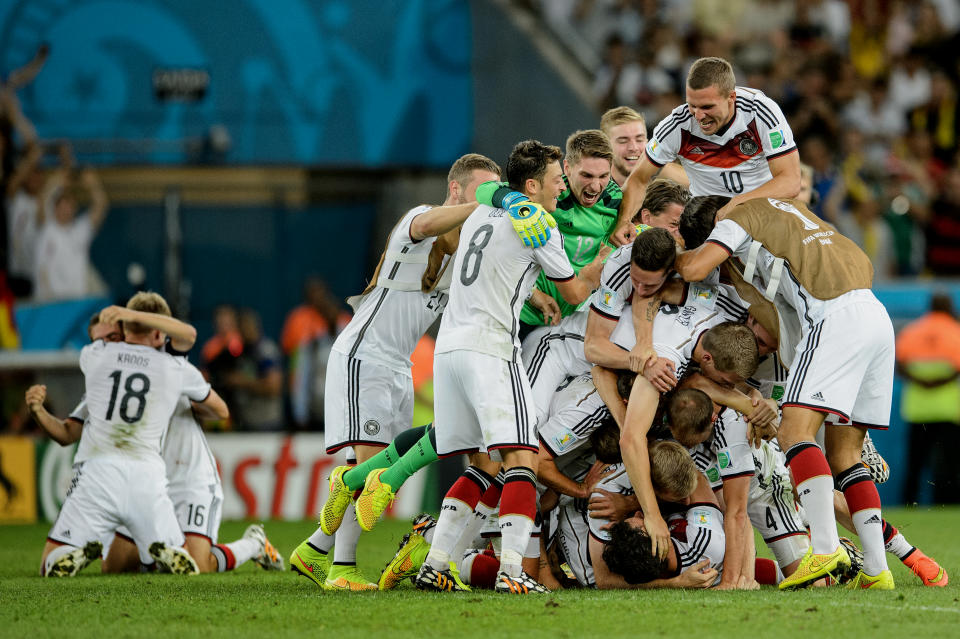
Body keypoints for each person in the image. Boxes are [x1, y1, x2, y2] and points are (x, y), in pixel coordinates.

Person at [289, 153, 515, 591]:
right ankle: (342, 570)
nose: (487, 202)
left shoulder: (461, 258)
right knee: (375, 472)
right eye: (480, 190)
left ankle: (314, 549)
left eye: (492, 192)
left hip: (398, 368)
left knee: (380, 472)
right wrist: (492, 202)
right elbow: (429, 226)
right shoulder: (418, 220)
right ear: (455, 190)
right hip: (364, 358)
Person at [675, 194, 896, 590]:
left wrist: (658, 252)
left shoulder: (735, 220)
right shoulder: (786, 213)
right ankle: (878, 572)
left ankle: (825, 550)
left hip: (834, 317)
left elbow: (693, 268)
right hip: (876, 316)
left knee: (796, 432)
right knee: (844, 457)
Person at [413, 139, 589, 595]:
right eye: (556, 180)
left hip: (449, 349)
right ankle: (513, 570)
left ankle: (435, 563)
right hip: (492, 349)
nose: (563, 187)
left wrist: (508, 198)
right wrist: (609, 258)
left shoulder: (480, 210)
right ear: (532, 186)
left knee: (481, 465)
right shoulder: (540, 223)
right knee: (522, 459)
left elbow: (492, 202)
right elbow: (573, 295)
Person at [27, 310, 283, 576]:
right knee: (115, 568)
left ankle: (253, 544)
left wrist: (193, 403)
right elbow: (68, 432)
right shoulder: (105, 386)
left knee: (200, 564)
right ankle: (158, 557)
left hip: (186, 477)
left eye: (112, 337)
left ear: (127, 334)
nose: (105, 346)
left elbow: (220, 409)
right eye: (98, 342)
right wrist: (39, 412)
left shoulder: (168, 364)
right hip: (143, 483)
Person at [611, 56, 800, 247]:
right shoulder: (677, 126)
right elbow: (638, 178)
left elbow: (790, 181)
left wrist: (737, 204)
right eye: (692, 105)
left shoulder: (760, 112)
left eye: (707, 107)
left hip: (765, 220)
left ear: (731, 98)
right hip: (707, 231)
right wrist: (623, 221)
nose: (699, 116)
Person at [476, 129, 621, 333]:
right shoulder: (548, 194)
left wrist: (626, 224)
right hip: (527, 313)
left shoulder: (615, 199)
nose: (596, 186)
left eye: (603, 176)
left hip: (575, 318)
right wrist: (514, 201)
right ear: (567, 168)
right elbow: (484, 190)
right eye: (586, 175)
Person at [895, 293, 960, 504]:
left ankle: (908, 503)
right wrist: (938, 382)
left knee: (915, 463)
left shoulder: (912, 331)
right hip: (947, 409)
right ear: (949, 307)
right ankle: (946, 504)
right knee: (948, 464)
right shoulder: (956, 331)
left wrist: (922, 382)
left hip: (917, 409)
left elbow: (900, 366)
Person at [33, 167, 109, 301]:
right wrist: (55, 181)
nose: (66, 209)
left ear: (75, 208)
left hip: (75, 301)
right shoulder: (47, 228)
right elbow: (41, 200)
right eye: (63, 205)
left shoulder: (81, 230)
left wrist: (93, 185)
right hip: (48, 302)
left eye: (70, 205)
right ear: (55, 207)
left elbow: (101, 205)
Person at [600, 106, 688, 192]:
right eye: (623, 141)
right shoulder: (594, 192)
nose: (633, 148)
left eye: (639, 139)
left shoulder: (664, 180)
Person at [225, 309, 284, 431]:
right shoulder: (239, 351)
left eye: (245, 326)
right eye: (239, 328)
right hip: (245, 421)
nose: (243, 331)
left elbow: (274, 387)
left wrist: (242, 382)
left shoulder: (265, 350)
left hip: (266, 422)